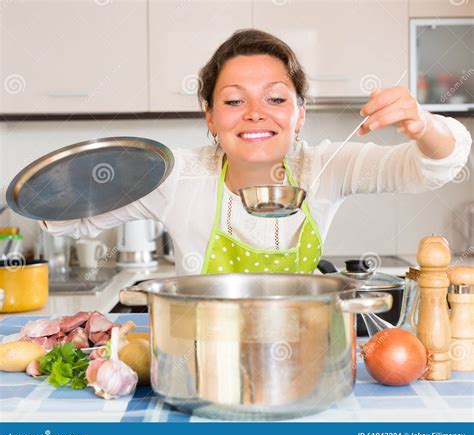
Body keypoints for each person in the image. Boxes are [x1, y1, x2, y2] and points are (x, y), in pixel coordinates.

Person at [40, 29, 472, 276]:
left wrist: (422, 123)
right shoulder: (177, 177)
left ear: (300, 115)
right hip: (205, 363)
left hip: (297, 360)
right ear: (209, 116)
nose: (254, 115)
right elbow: (63, 217)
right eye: (233, 101)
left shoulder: (325, 166)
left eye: (276, 99)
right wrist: (74, 178)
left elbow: (437, 166)